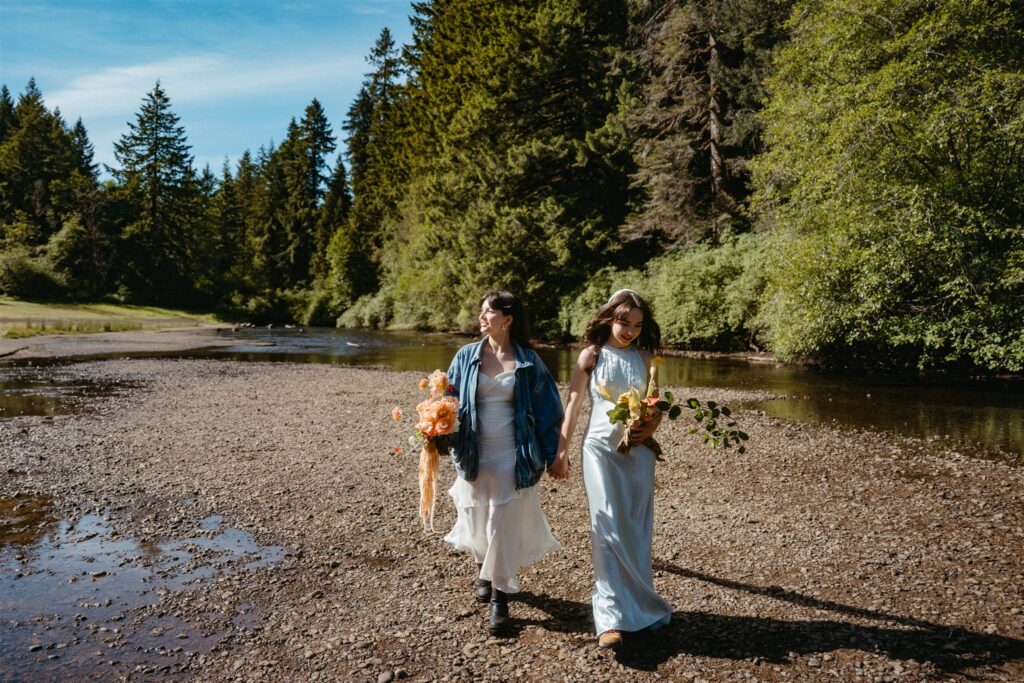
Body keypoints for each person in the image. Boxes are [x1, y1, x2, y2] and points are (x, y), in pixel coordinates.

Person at [552, 289, 672, 649]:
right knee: (604, 526)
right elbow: (573, 404)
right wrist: (562, 451)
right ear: (609, 319)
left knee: (635, 528)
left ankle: (642, 608)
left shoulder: (647, 356)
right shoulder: (592, 355)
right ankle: (608, 619)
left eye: (637, 325)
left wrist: (649, 426)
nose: (630, 331)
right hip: (599, 451)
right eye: (624, 322)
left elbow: (656, 405)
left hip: (638, 454)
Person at [444, 289, 565, 635]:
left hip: (512, 454)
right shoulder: (467, 356)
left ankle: (500, 598)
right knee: (477, 515)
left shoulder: (528, 362)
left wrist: (554, 456)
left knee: (500, 522)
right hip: (473, 451)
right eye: (481, 311)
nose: (482, 317)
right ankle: (482, 565)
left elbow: (548, 413)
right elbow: (448, 399)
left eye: (488, 312)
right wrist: (437, 426)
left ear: (508, 319)